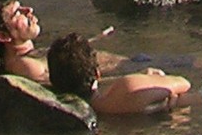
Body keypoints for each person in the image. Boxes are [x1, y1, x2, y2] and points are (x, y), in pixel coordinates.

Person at [47, 31, 190, 118]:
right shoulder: (126, 88)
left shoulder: (60, 111)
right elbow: (184, 83)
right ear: (97, 73)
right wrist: (147, 79)